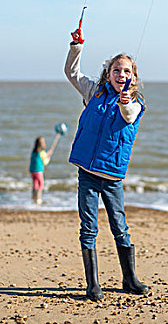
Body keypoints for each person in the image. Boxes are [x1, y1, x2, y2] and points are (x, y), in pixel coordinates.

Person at [64, 28, 149, 301]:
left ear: (133, 77)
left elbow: (127, 116)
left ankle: (130, 278)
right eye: (116, 70)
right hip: (87, 174)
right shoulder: (93, 92)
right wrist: (76, 48)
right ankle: (92, 285)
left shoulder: (135, 104)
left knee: (119, 227)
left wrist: (125, 101)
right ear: (108, 73)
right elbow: (72, 73)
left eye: (127, 72)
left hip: (112, 178)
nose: (121, 75)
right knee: (88, 227)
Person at [29, 136, 53, 204]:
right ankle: (38, 199)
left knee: (35, 184)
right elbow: (45, 162)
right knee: (41, 184)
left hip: (32, 170)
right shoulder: (42, 152)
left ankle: (33, 198)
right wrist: (48, 158)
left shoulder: (34, 152)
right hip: (38, 171)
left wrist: (47, 154)